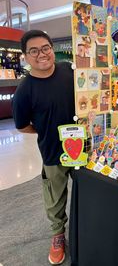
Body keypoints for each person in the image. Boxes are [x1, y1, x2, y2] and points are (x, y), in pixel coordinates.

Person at [12, 30, 75, 265]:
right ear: (26, 57)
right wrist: (46, 129)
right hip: (53, 151)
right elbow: (22, 126)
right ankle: (57, 235)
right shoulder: (24, 91)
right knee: (55, 196)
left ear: (52, 48)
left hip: (84, 147)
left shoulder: (68, 70)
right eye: (34, 51)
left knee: (89, 189)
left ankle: (88, 226)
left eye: (45, 48)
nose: (42, 54)